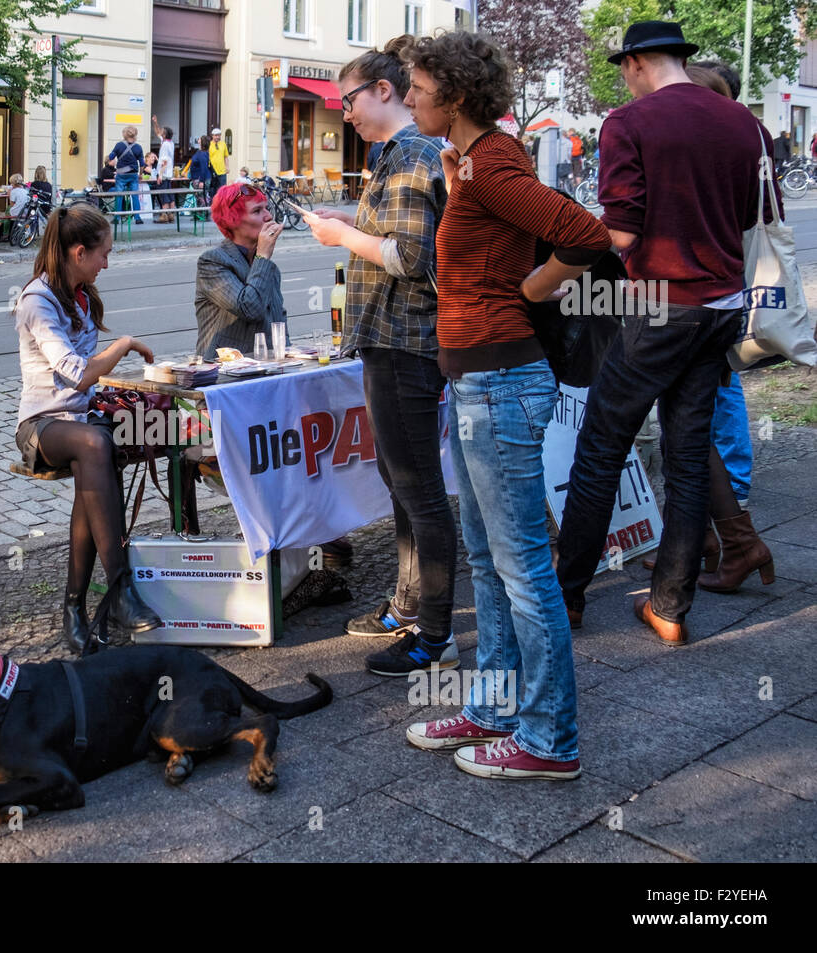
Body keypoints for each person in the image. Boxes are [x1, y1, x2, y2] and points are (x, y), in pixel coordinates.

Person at [400, 31, 611, 780]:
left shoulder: (492, 164)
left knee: (522, 568)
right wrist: (462, 192)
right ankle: (493, 708)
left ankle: (550, 739)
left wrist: (529, 290)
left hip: (500, 380)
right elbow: (492, 243)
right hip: (479, 382)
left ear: (454, 95)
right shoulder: (483, 164)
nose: (409, 97)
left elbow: (585, 234)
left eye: (418, 87)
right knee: (489, 560)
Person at [554, 20, 778, 646]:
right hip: (724, 303)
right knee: (686, 454)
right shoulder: (744, 122)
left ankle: (566, 598)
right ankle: (670, 607)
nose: (623, 79)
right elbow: (758, 215)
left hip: (661, 304)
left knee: (601, 448)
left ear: (636, 63)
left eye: (623, 68)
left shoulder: (629, 123)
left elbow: (621, 233)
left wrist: (565, 256)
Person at [304, 37, 457, 677]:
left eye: (350, 99)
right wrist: (355, 229)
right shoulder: (397, 155)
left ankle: (435, 636)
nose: (345, 113)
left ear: (385, 92)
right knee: (403, 482)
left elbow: (411, 260)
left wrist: (343, 235)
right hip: (394, 342)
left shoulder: (410, 153)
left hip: (406, 343)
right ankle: (409, 603)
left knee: (419, 489)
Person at [14, 204, 163, 652]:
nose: (107, 262)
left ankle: (75, 610)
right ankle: (120, 589)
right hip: (41, 426)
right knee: (96, 444)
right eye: (104, 253)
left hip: (80, 425)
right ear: (79, 252)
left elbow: (87, 386)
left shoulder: (79, 294)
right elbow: (77, 374)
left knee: (155, 430)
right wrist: (124, 344)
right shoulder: (37, 301)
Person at [194, 182, 285, 360]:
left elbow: (279, 323)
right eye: (257, 211)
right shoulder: (213, 262)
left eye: (267, 208)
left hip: (264, 369)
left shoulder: (270, 269)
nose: (268, 216)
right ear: (233, 220)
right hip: (222, 371)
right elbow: (250, 309)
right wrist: (263, 256)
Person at [108, 125, 144, 225]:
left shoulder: (119, 145)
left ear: (124, 134)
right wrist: (140, 175)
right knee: (134, 195)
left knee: (119, 195)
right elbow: (142, 164)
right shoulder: (138, 147)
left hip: (121, 175)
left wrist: (109, 158)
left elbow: (111, 157)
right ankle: (137, 218)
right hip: (133, 175)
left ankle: (117, 218)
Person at [151, 115, 177, 221]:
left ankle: (163, 215)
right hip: (169, 172)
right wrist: (155, 122)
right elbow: (157, 131)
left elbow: (164, 161)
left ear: (165, 134)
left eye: (162, 131)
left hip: (164, 171)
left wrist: (160, 175)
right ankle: (171, 214)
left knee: (163, 194)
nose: (160, 131)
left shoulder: (165, 145)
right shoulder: (170, 143)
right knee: (169, 192)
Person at [188, 135, 212, 200]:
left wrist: (202, 181)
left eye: (200, 139)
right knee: (199, 199)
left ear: (202, 142)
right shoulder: (200, 152)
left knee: (201, 199)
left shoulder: (203, 154)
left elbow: (204, 168)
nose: (198, 139)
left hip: (201, 179)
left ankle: (205, 210)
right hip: (197, 178)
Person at [208, 127, 230, 197]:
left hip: (222, 171)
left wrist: (227, 167)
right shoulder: (209, 144)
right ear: (212, 136)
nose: (218, 137)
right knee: (212, 190)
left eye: (219, 135)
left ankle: (221, 206)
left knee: (222, 190)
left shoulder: (223, 144)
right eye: (216, 135)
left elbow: (226, 157)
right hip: (212, 171)